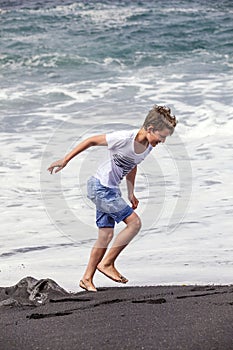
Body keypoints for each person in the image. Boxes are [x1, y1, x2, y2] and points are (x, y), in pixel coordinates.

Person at [48, 105, 177, 292]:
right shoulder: (123, 138)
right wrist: (66, 160)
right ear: (150, 129)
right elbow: (91, 140)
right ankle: (107, 263)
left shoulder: (148, 147)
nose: (162, 141)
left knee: (106, 235)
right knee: (134, 223)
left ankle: (86, 279)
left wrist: (130, 192)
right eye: (162, 136)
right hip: (99, 188)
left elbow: (133, 165)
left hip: (111, 190)